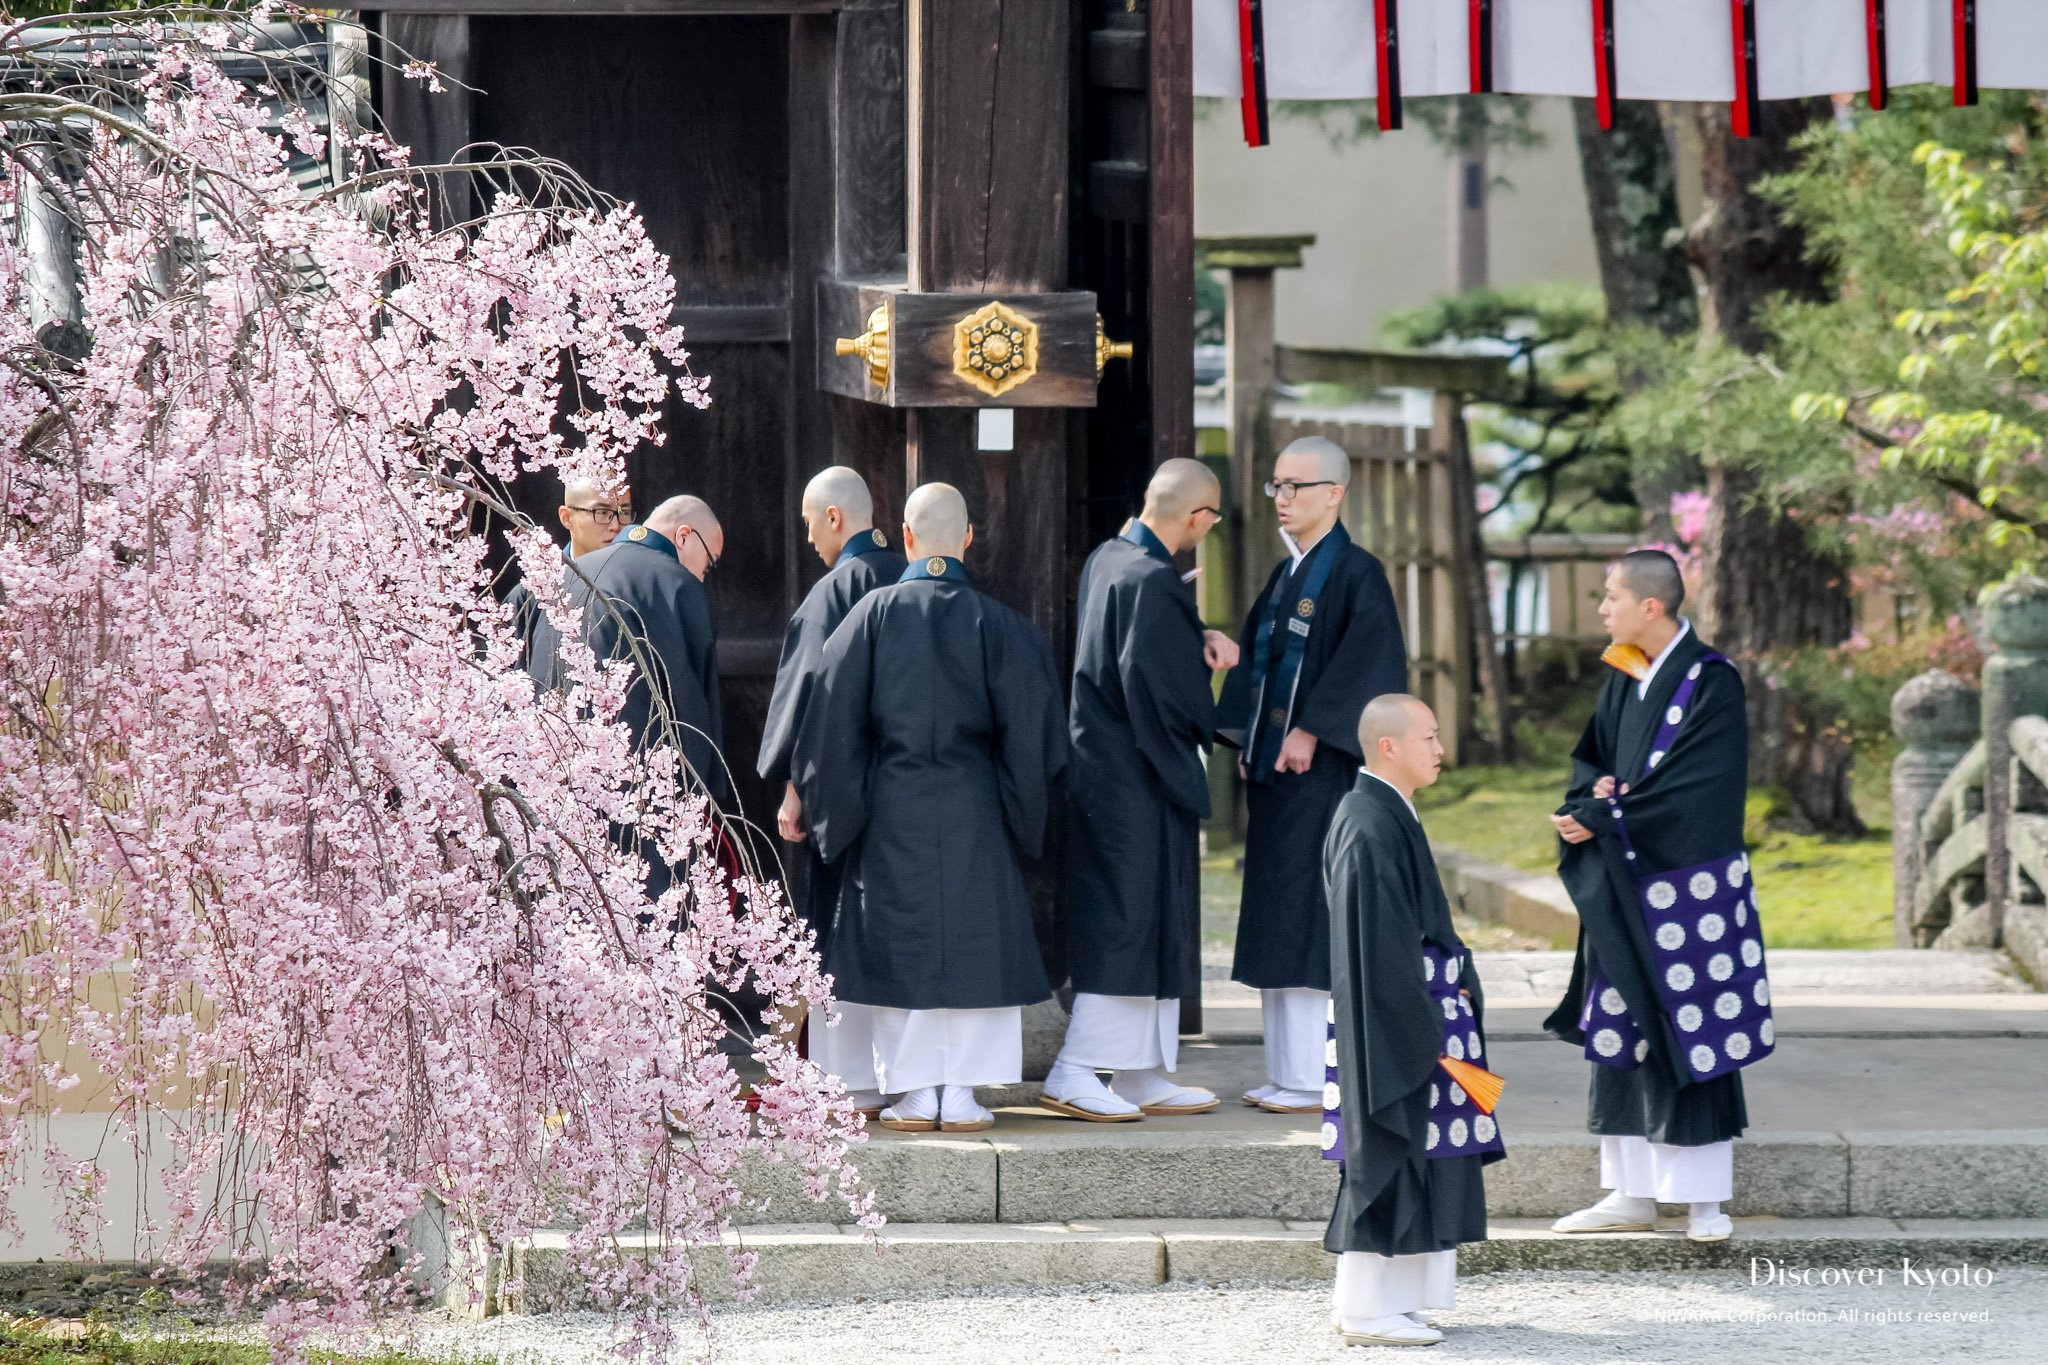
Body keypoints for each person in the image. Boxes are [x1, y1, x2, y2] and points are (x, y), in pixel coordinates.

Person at [794, 483, 1068, 1135]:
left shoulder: (869, 616)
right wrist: (1014, 808)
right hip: (975, 806)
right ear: (968, 538)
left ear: (908, 538)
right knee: (973, 941)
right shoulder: (1003, 625)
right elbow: (1035, 741)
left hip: (892, 805)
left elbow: (829, 731)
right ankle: (964, 1093)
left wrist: (846, 814)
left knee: (904, 936)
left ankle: (916, 1091)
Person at [1544, 550, 1772, 1245]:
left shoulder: (1713, 680)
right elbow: (1596, 757)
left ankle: (1704, 1200)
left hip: (1688, 885)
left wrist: (1612, 814)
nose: (1602, 608)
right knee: (1622, 1024)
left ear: (1651, 606)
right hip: (1623, 875)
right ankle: (1629, 1191)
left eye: (1611, 596)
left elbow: (1700, 788)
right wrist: (1595, 795)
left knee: (1693, 1025)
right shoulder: (1625, 669)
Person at [1040, 458, 1238, 1122]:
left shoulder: (1112, 557)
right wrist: (1210, 666)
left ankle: (1139, 1070)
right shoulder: (1152, 580)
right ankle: (1076, 1068)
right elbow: (1160, 688)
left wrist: (1188, 627)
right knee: (1127, 918)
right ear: (1197, 517)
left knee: (1151, 916)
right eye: (1207, 523)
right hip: (1135, 778)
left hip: (1105, 769)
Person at [1215, 435, 1408, 1114]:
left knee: (1307, 917)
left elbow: (1371, 667)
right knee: (1276, 913)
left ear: (1335, 493)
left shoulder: (1358, 574)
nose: (1283, 499)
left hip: (1323, 778)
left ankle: (1311, 1075)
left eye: (1296, 486)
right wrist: (1245, 731)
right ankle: (1286, 1068)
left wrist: (1311, 729)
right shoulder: (1284, 575)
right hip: (1278, 780)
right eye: (1276, 485)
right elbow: (1259, 669)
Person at [1322, 694, 1501, 1348]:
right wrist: (1413, 1025)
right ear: (1388, 745)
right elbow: (1375, 952)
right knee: (1388, 1148)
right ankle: (1365, 1309)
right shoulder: (1367, 823)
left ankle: (1391, 1300)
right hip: (1395, 1019)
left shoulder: (1387, 812)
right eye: (1428, 735)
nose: (1440, 747)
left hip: (1424, 1011)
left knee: (1430, 1153)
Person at [757, 466, 906, 1117]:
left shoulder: (834, 591)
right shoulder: (908, 577)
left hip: (841, 787)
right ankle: (899, 1071)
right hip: (906, 787)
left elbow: (811, 701)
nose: (810, 536)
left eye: (811, 521)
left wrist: (794, 790)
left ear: (836, 518)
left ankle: (842, 1077)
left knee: (832, 929)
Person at [572, 494, 728, 806]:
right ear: (684, 536)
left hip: (556, 781)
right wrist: (703, 796)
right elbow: (691, 701)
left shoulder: (566, 574)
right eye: (709, 563)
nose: (702, 575)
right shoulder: (678, 586)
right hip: (642, 790)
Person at [512, 478, 632, 687]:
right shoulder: (534, 593)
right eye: (602, 513)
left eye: (624, 512)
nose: (616, 525)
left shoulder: (636, 585)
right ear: (567, 517)